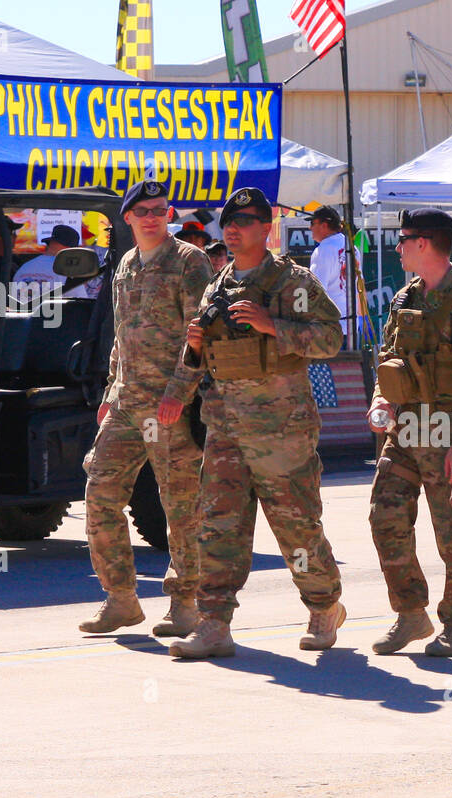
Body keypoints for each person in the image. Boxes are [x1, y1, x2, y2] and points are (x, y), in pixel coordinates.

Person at [160, 186, 346, 658]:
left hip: (282, 431)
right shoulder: (217, 285)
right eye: (230, 224)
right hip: (225, 428)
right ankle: (214, 623)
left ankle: (324, 604)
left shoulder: (292, 282)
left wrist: (272, 326)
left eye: (245, 223)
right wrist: (185, 374)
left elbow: (330, 339)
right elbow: (198, 356)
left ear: (267, 229)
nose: (234, 231)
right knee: (219, 526)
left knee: (296, 528)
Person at [79, 180, 211, 638]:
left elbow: (201, 335)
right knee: (100, 492)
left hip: (170, 403)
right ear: (128, 218)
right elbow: (123, 335)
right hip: (127, 401)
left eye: (160, 209)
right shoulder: (126, 265)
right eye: (144, 211)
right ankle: (120, 598)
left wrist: (179, 392)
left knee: (180, 505)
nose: (153, 217)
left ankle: (185, 602)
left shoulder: (189, 262)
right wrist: (110, 392)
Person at [366, 207, 452, 657]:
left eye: (404, 239)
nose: (397, 247)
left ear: (424, 243)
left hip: (448, 431)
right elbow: (389, 359)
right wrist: (382, 397)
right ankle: (411, 613)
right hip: (406, 429)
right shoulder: (405, 298)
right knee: (385, 517)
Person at [12, 224, 100, 299]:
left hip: (23, 318)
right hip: (55, 318)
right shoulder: (67, 270)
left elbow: (13, 303)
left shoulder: (24, 268)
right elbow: (80, 303)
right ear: (72, 249)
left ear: (50, 243)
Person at [308, 205, 351, 323]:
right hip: (351, 322)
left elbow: (316, 290)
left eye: (312, 223)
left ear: (324, 225)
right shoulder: (351, 247)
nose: (309, 227)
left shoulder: (324, 250)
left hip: (331, 325)